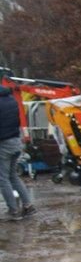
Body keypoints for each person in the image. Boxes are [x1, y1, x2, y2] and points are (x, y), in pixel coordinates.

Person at [0, 85, 36, 220]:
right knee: (13, 176)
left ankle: (13, 211)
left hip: (3, 144)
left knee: (3, 179)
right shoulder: (11, 99)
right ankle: (28, 205)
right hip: (16, 142)